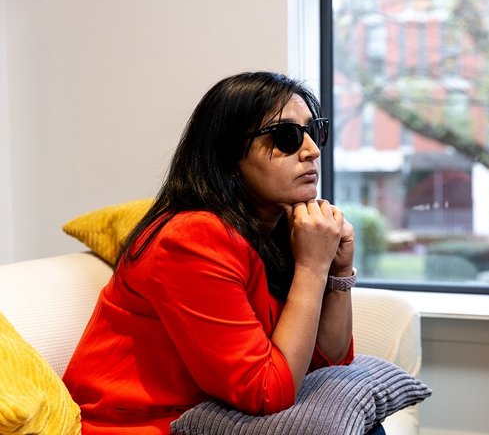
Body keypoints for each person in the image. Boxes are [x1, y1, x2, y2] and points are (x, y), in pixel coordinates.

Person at [63, 71, 371, 434]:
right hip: (142, 425)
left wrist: (338, 268)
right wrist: (312, 266)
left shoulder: (280, 226)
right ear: (229, 157)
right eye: (287, 137)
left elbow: (330, 361)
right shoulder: (192, 238)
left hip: (213, 415)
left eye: (313, 131)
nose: (312, 150)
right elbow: (266, 392)